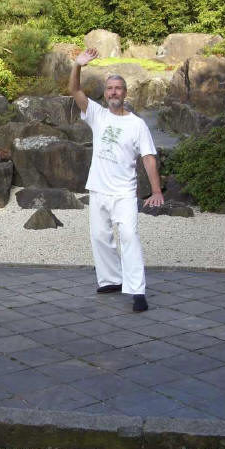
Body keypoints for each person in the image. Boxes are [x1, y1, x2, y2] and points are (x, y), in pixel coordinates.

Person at [69, 49, 164, 312]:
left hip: (124, 192)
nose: (113, 92)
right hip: (98, 189)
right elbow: (75, 91)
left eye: (118, 88)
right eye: (109, 88)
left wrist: (156, 190)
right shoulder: (97, 114)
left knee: (129, 237)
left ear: (125, 93)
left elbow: (148, 158)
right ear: (106, 93)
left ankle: (137, 290)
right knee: (100, 236)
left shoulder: (137, 125)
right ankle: (111, 280)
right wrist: (77, 65)